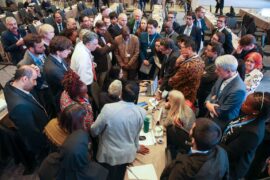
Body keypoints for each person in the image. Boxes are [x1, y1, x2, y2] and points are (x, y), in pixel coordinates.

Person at [91, 82, 149, 180]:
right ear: (136, 97)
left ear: (121, 94)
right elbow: (136, 135)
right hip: (127, 156)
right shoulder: (142, 112)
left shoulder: (108, 109)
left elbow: (94, 131)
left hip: (108, 156)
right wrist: (137, 148)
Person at [39, 104, 108, 180]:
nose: (84, 121)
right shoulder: (76, 139)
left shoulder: (51, 123)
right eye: (82, 119)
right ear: (77, 122)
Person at [4, 65, 49, 174]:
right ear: (24, 79)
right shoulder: (20, 107)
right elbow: (32, 134)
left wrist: (37, 75)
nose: (35, 83)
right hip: (41, 139)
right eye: (34, 80)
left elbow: (40, 86)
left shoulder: (9, 85)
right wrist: (46, 144)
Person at [221, 92, 270, 179]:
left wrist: (211, 139)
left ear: (255, 112)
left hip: (230, 167)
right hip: (223, 150)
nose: (243, 103)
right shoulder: (247, 114)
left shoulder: (252, 134)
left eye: (246, 104)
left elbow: (229, 152)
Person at [161, 118, 229, 179]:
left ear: (193, 141)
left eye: (192, 128)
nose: (190, 128)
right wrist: (182, 128)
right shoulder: (222, 153)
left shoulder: (181, 169)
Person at [205, 54, 246, 130]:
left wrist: (209, 104)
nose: (215, 71)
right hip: (211, 114)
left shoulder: (239, 90)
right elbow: (213, 91)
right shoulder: (223, 75)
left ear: (228, 71)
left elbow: (223, 111)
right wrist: (208, 102)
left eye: (218, 70)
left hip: (221, 122)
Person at [169, 37, 205, 104]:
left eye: (182, 47)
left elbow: (171, 82)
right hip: (192, 96)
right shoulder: (200, 60)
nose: (180, 50)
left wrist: (176, 63)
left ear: (189, 48)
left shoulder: (188, 65)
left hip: (182, 99)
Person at [44, 36, 73, 113]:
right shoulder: (53, 69)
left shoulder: (58, 57)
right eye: (67, 49)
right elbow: (68, 85)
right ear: (58, 52)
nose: (69, 51)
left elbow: (67, 68)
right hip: (61, 98)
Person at [165, 90, 196, 158]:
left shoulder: (178, 118)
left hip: (185, 142)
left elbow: (166, 124)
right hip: (190, 137)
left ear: (174, 102)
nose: (167, 99)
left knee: (169, 130)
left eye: (169, 99)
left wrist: (167, 108)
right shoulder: (185, 108)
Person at [197, 42, 223, 117]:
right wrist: (202, 71)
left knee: (203, 110)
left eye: (208, 50)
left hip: (207, 91)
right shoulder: (206, 58)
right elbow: (199, 69)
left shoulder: (217, 65)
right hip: (201, 89)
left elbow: (205, 78)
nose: (205, 51)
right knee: (200, 106)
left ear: (215, 53)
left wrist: (201, 71)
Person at [92, 21, 115, 89]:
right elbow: (100, 52)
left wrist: (105, 48)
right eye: (102, 30)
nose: (104, 31)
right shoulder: (93, 36)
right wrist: (108, 45)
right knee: (100, 82)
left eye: (105, 29)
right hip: (99, 64)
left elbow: (114, 44)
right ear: (96, 28)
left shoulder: (105, 32)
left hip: (107, 60)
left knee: (106, 79)